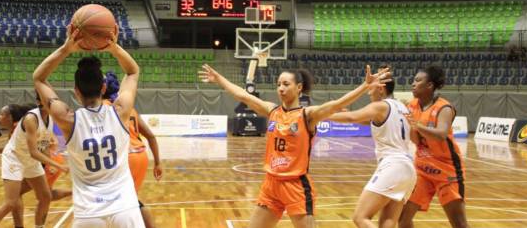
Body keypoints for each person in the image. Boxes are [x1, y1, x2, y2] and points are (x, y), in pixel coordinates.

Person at [199, 64, 391, 228]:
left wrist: (365, 86)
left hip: (296, 186)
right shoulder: (272, 111)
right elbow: (244, 96)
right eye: (278, 85)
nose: (280, 88)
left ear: (299, 87)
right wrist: (219, 79)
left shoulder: (308, 115)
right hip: (271, 184)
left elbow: (336, 104)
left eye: (286, 84)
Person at [33, 28, 145, 227]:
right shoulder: (120, 111)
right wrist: (113, 47)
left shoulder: (67, 119)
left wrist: (66, 49)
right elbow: (133, 71)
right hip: (124, 208)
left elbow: (39, 78)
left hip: (88, 213)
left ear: (76, 91)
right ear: (103, 88)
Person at [327, 66, 416, 228]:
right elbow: (365, 120)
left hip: (393, 165)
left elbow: (351, 117)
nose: (368, 92)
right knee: (387, 222)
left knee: (360, 217)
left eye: (371, 88)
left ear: (381, 89)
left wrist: (321, 115)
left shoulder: (380, 106)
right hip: (408, 169)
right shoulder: (402, 107)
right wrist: (340, 116)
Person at [398, 65, 469, 228]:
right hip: (422, 169)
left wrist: (417, 125)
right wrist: (407, 125)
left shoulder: (444, 107)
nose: (413, 84)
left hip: (447, 170)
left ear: (429, 85)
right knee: (403, 218)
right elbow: (416, 140)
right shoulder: (411, 106)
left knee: (459, 223)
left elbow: (441, 134)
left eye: (418, 80)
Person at [0, 96, 68, 228]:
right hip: (15, 158)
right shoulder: (31, 119)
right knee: (10, 202)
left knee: (45, 196)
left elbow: (44, 146)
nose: (54, 104)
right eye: (51, 101)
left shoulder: (50, 120)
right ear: (40, 102)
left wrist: (49, 163)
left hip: (30, 159)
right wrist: (58, 165)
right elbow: (33, 152)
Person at [103, 71, 163, 228]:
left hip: (124, 158)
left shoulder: (103, 108)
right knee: (131, 200)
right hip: (140, 157)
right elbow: (151, 136)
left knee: (116, 204)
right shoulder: (130, 109)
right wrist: (157, 163)